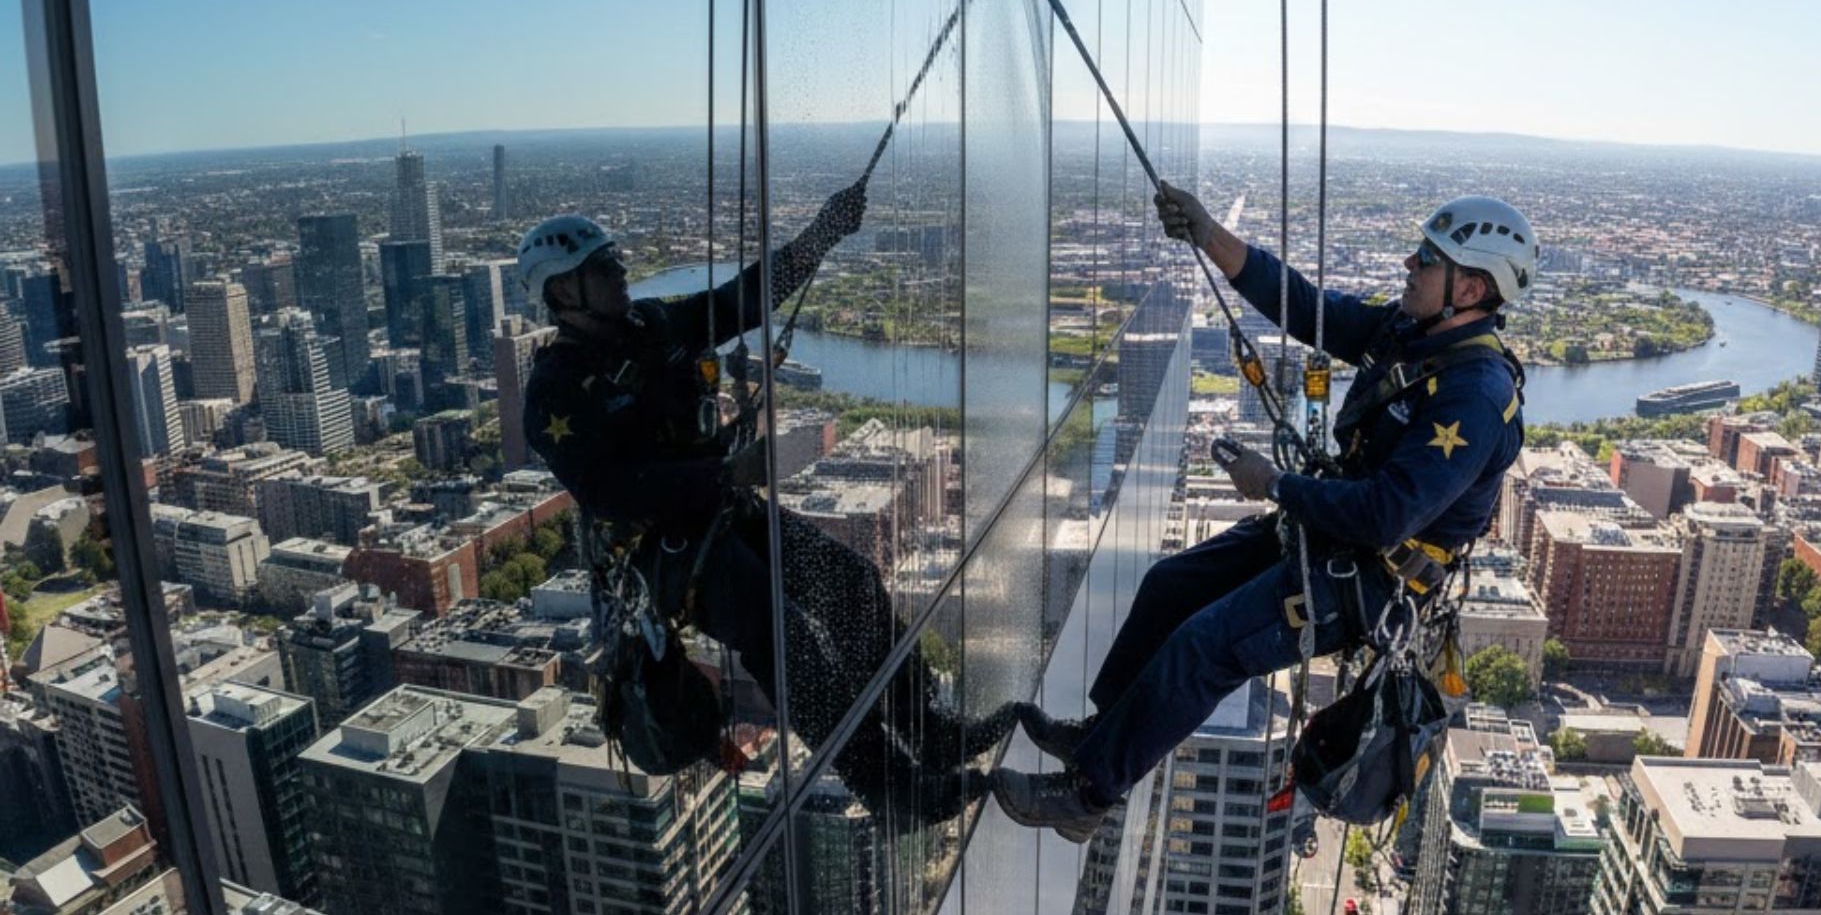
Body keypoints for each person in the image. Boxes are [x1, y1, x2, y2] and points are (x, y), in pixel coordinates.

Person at [990, 184, 1536, 841]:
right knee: (1171, 586)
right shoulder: (1409, 335)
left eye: (1427, 257)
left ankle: (1088, 795)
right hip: (1330, 532)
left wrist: (1274, 484)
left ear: (1470, 289)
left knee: (1204, 648)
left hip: (1371, 576)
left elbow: (1386, 516)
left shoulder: (1474, 395)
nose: (1409, 265)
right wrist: (1211, 236)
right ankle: (1101, 738)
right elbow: (1306, 308)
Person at [518, 186, 1008, 824]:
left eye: (614, 259)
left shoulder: (653, 326)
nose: (619, 272)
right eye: (600, 268)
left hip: (719, 509)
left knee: (852, 583)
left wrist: (820, 237)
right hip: (657, 551)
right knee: (786, 636)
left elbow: (739, 300)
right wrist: (722, 469)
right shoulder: (555, 392)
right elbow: (609, 489)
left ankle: (929, 729)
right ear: (562, 294)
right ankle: (890, 788)